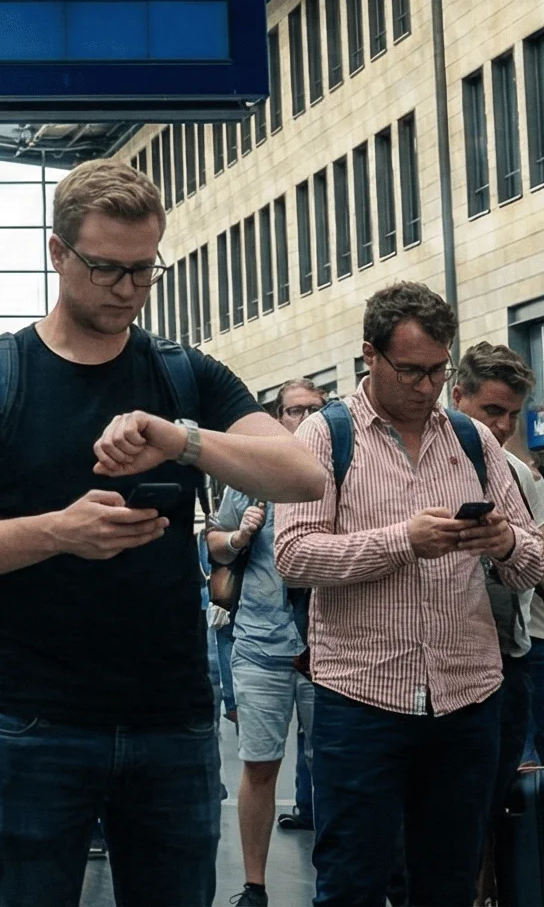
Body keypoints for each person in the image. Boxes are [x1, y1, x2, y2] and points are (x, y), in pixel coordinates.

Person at [0, 159, 323, 907]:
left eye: (144, 270)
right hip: (35, 717)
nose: (127, 290)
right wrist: (57, 532)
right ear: (57, 253)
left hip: (172, 715)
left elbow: (303, 474)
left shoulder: (182, 375)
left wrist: (182, 441)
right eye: (106, 269)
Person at [276, 283, 544, 907]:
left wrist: (504, 541)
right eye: (410, 371)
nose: (426, 387)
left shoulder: (473, 441)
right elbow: (293, 555)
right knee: (351, 883)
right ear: (369, 355)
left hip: (467, 699)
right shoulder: (325, 436)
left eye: (438, 371)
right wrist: (403, 541)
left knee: (448, 884)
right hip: (360, 700)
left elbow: (532, 562)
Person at [210, 378, 326, 907]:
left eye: (314, 409)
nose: (304, 418)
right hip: (261, 643)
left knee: (335, 766)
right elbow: (215, 542)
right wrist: (239, 537)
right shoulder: (253, 475)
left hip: (328, 646)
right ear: (277, 418)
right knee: (259, 765)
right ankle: (254, 886)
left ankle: (339, 880)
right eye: (294, 410)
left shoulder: (336, 472)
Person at [445, 345, 544, 776]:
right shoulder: (424, 460)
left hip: (508, 651)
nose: (504, 426)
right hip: (444, 652)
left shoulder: (519, 472)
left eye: (513, 414)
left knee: (509, 776)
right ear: (458, 397)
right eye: (492, 411)